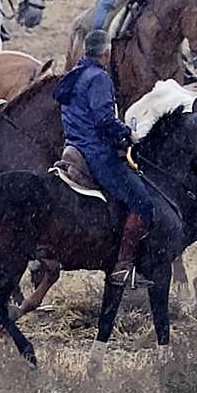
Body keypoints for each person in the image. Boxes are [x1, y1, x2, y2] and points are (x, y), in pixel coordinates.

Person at [54, 29, 155, 287]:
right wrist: (128, 134)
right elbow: (103, 120)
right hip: (96, 153)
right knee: (143, 202)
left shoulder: (73, 75)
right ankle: (124, 266)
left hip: (72, 147)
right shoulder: (99, 78)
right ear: (107, 53)